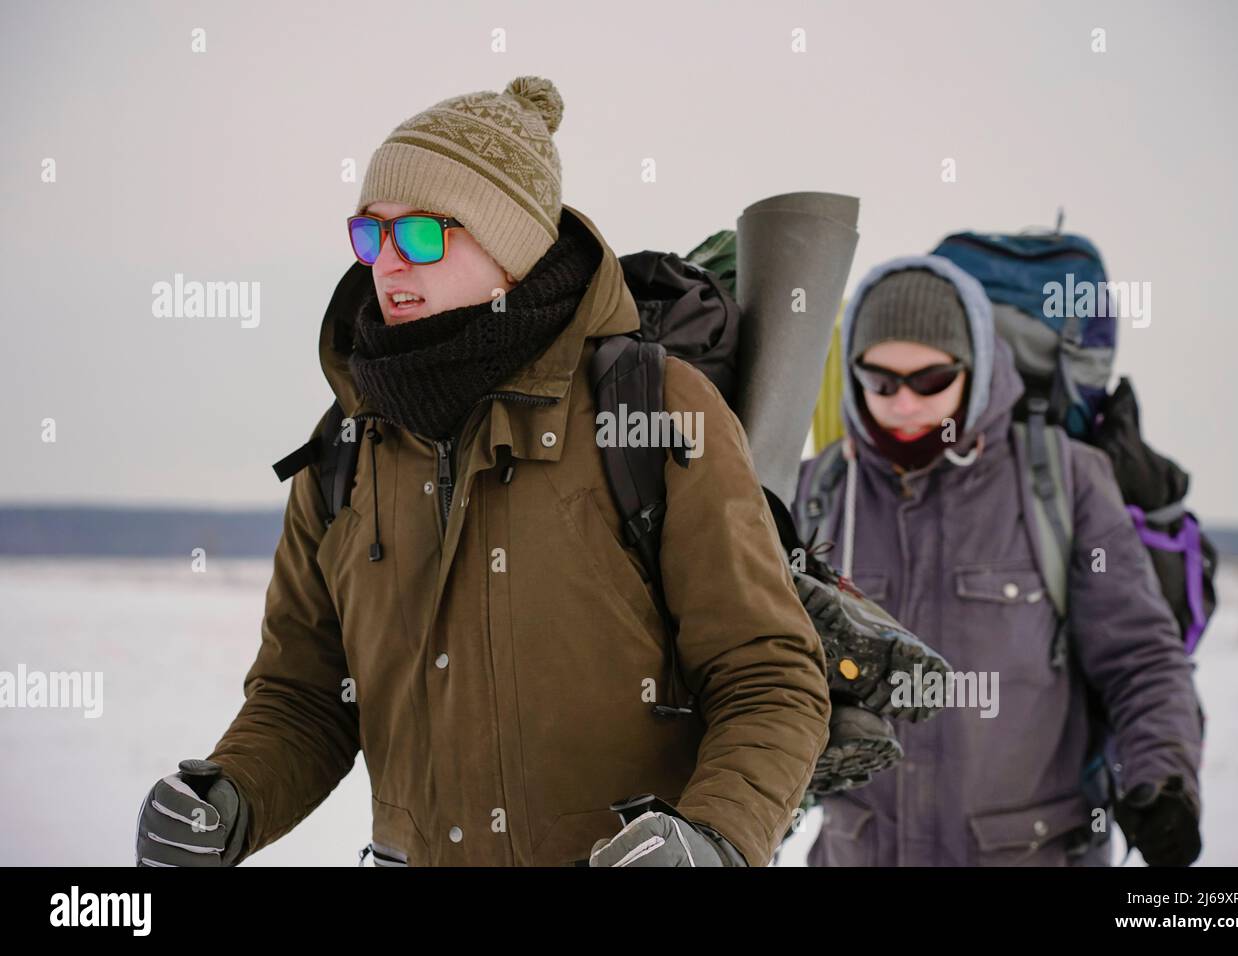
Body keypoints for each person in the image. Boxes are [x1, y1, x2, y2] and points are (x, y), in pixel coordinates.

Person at [135, 76, 831, 868]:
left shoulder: (654, 412)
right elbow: (308, 699)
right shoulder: (346, 447)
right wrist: (229, 800)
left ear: (511, 246)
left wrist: (711, 841)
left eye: (424, 236)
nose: (388, 264)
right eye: (371, 236)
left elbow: (768, 678)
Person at [796, 256, 1203, 866]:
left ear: (976, 367)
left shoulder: (1064, 482)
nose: (904, 402)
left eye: (930, 379)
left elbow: (1140, 658)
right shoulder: (819, 491)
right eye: (880, 380)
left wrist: (1164, 781)